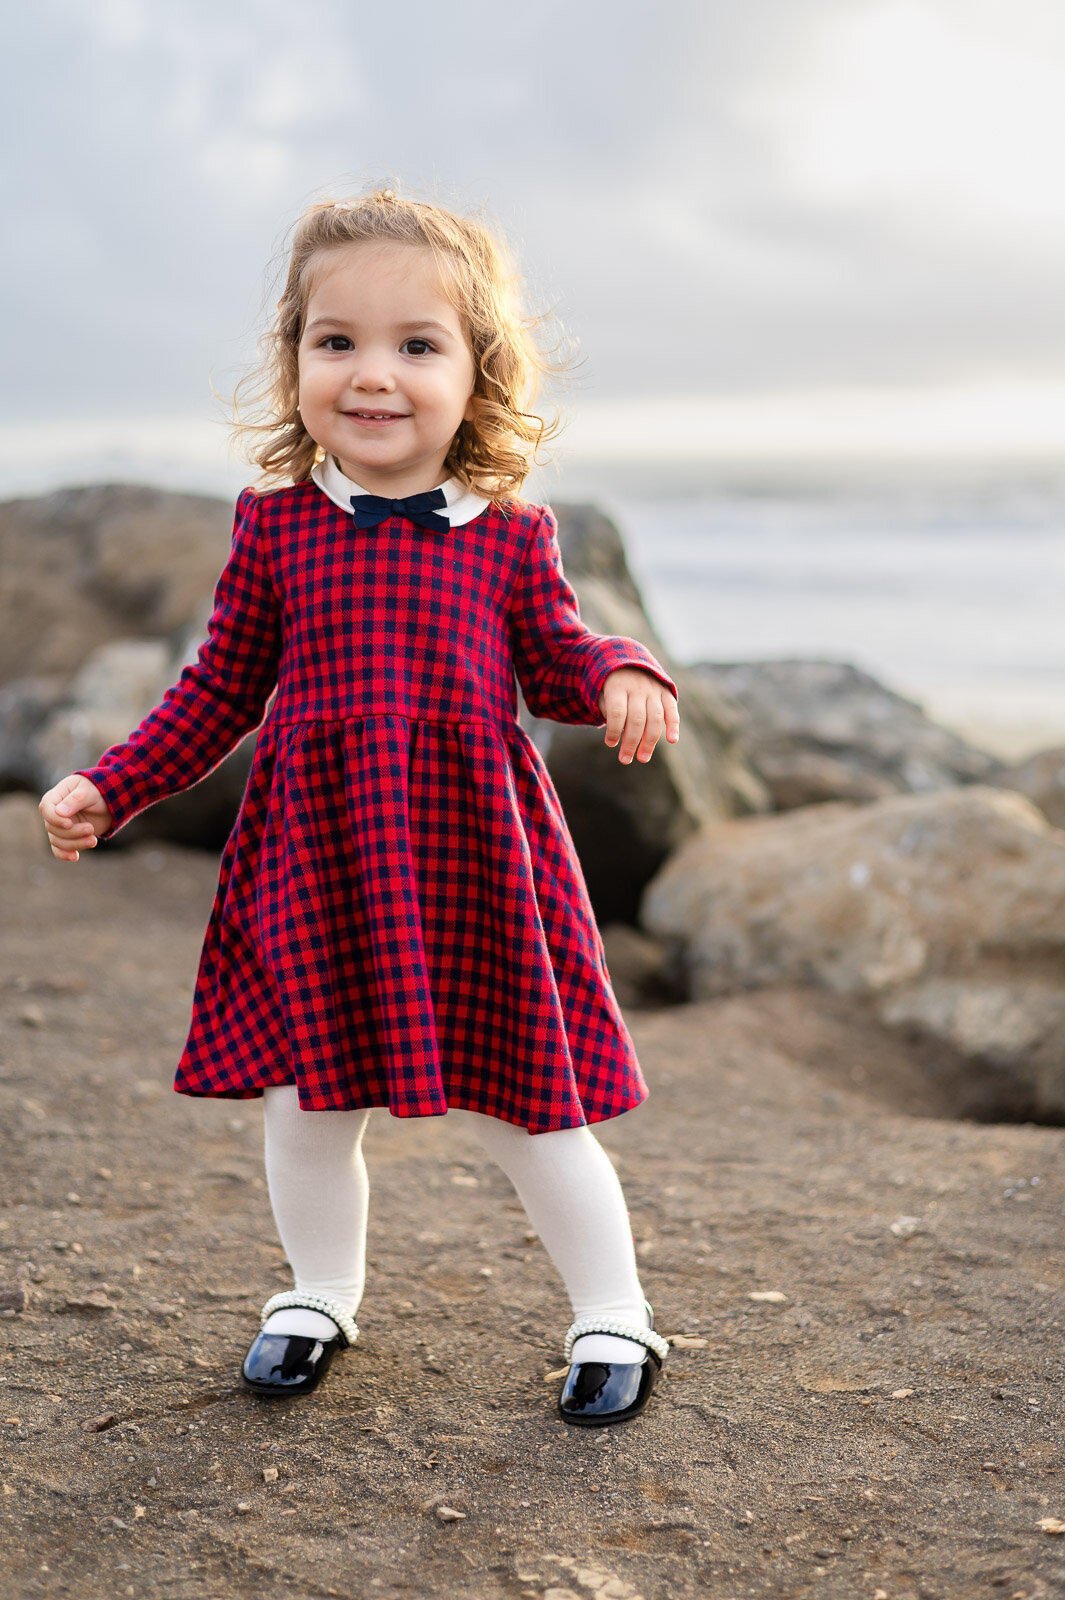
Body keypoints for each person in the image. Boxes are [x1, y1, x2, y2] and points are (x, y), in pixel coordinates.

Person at [39, 189, 680, 1426]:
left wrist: (618, 666)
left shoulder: (509, 537)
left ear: (477, 375)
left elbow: (555, 656)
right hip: (319, 862)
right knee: (309, 1104)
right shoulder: (274, 528)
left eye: (415, 344)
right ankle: (319, 1292)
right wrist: (112, 783)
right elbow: (218, 686)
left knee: (523, 1107)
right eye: (336, 341)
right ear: (292, 363)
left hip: (471, 863)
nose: (371, 374)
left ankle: (613, 1312)